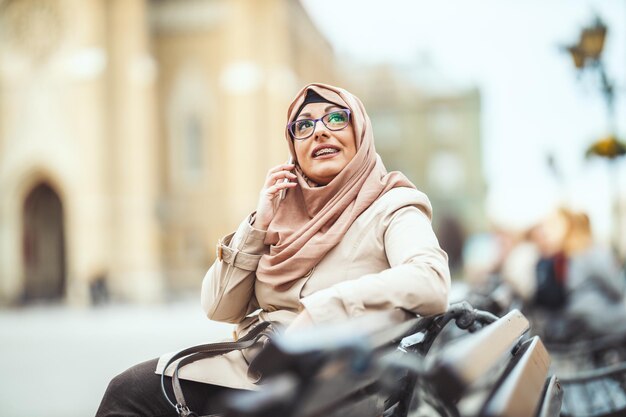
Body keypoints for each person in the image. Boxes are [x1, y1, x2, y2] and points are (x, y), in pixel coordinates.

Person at [95, 83, 451, 417]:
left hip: (326, 380)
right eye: (304, 125)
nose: (320, 131)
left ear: (360, 132)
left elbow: (430, 279)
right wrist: (257, 225)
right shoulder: (282, 215)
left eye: (336, 118)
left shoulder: (392, 205)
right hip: (259, 368)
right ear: (293, 148)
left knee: (129, 395)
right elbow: (219, 306)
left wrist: (323, 311)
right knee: (128, 390)